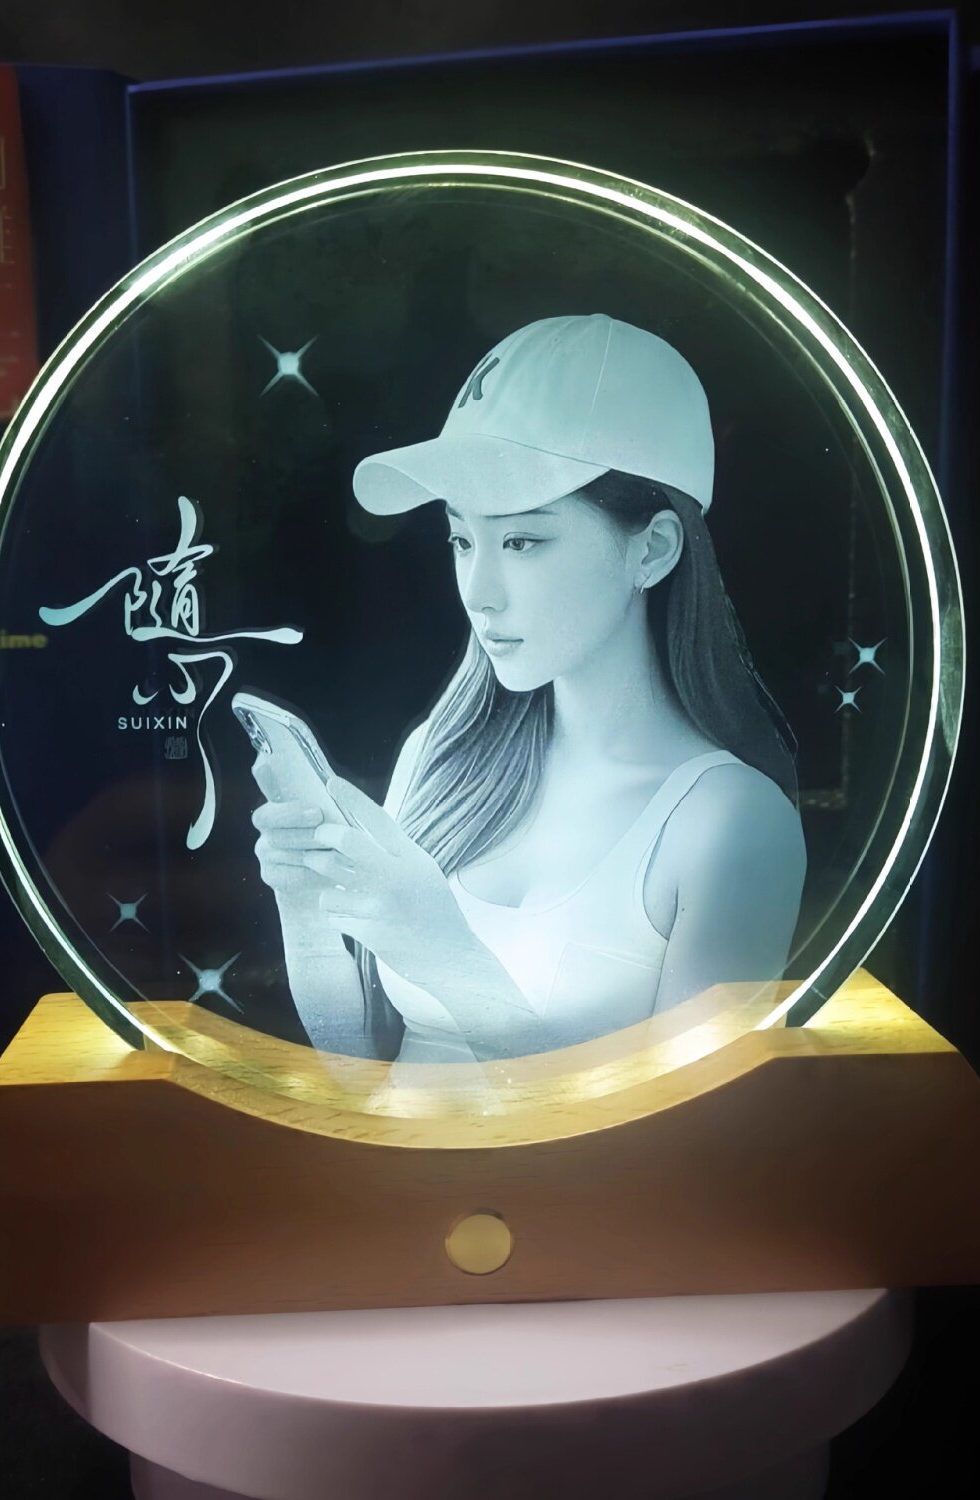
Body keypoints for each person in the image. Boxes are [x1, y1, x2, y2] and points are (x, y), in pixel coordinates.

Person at [252, 314, 806, 1065]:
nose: (479, 592)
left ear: (652, 549)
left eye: (522, 541)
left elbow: (687, 1126)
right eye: (461, 540)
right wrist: (308, 914)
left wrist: (446, 956)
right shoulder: (441, 755)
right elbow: (366, 1072)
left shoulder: (732, 824)